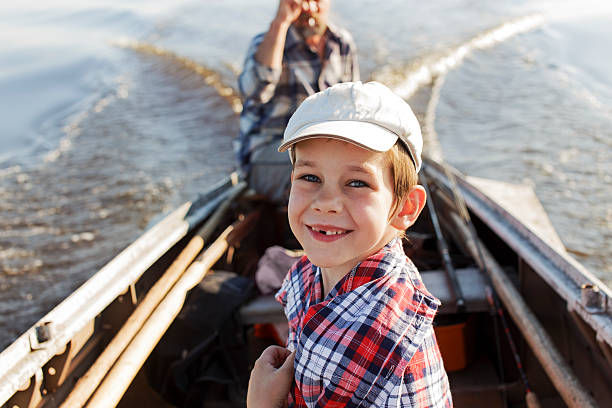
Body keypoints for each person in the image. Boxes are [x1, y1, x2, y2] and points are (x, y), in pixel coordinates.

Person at [247, 81, 453, 406]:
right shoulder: (308, 269)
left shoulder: (378, 333)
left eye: (357, 182)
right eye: (309, 178)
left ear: (405, 207)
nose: (325, 203)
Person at [236, 0, 359, 202]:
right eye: (302, 1)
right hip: (270, 153)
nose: (309, 9)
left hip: (326, 151)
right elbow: (254, 92)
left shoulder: (342, 43)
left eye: (317, 1)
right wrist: (280, 23)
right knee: (319, 173)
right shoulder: (265, 43)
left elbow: (352, 109)